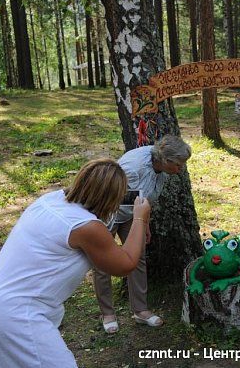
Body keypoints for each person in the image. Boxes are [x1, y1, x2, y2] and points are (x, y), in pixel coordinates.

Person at [0, 159, 151, 367]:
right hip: (18, 315)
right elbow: (125, 265)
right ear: (110, 199)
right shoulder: (86, 226)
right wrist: (140, 219)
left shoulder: (49, 200)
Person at [93, 135, 192, 333]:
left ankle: (140, 310)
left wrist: (143, 224)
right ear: (166, 160)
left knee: (137, 258)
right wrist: (105, 228)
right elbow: (111, 198)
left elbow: (146, 200)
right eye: (179, 165)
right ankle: (108, 313)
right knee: (102, 262)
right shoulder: (133, 168)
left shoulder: (162, 170)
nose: (181, 169)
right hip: (107, 212)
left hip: (132, 213)